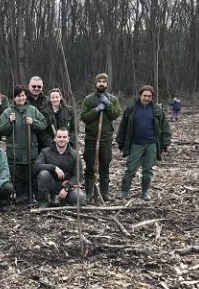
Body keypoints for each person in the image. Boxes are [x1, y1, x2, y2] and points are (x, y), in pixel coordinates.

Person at [116, 85, 171, 201]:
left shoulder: (158, 110)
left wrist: (165, 143)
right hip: (136, 144)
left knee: (148, 170)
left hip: (151, 144)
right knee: (130, 169)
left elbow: (165, 127)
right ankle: (124, 192)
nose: (147, 98)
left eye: (149, 96)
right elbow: (123, 127)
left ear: (152, 97)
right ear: (140, 96)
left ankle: (145, 192)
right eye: (144, 96)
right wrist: (121, 141)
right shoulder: (131, 109)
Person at [0, 84, 46, 205]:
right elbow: (0, 129)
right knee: (18, 177)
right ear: (13, 98)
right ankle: (21, 198)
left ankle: (32, 198)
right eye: (18, 96)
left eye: (23, 95)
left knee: (31, 176)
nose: (21, 98)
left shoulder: (32, 110)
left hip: (31, 150)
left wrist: (33, 122)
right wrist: (9, 122)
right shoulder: (8, 111)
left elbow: (44, 124)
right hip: (15, 152)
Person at [80, 73, 121, 202]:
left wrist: (108, 104)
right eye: (99, 82)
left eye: (104, 81)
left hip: (106, 139)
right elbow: (84, 117)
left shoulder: (113, 99)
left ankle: (104, 193)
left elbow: (115, 115)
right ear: (96, 83)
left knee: (105, 165)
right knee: (90, 166)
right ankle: (88, 193)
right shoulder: (88, 100)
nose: (101, 84)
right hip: (91, 138)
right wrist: (97, 109)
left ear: (107, 84)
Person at [34, 127, 85, 207]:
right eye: (59, 137)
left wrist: (67, 188)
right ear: (55, 139)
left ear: (68, 139)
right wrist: (54, 167)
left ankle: (62, 200)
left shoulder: (74, 155)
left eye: (64, 137)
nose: (62, 139)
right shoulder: (45, 151)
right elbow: (37, 166)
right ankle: (44, 203)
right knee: (43, 174)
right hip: (51, 184)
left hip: (67, 185)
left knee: (79, 198)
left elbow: (78, 175)